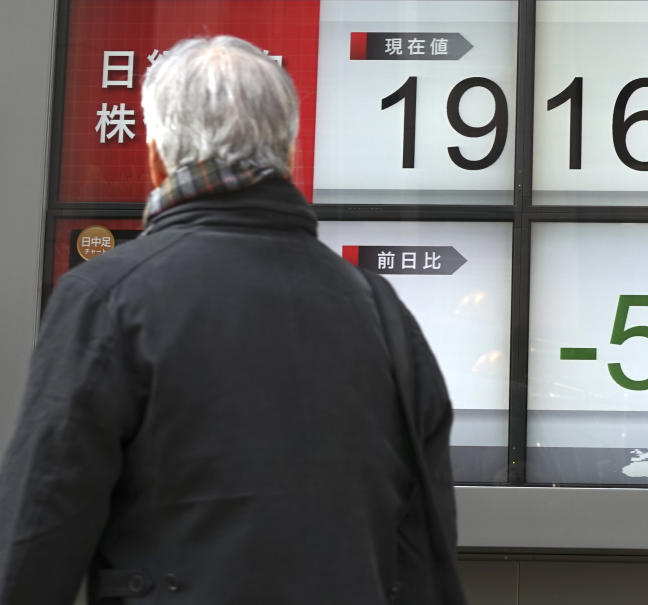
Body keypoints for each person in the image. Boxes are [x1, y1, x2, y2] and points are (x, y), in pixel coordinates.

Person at [0, 36, 465, 604]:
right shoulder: (379, 308)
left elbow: (34, 537)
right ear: (288, 154)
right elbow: (424, 546)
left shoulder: (109, 298)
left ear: (156, 156)